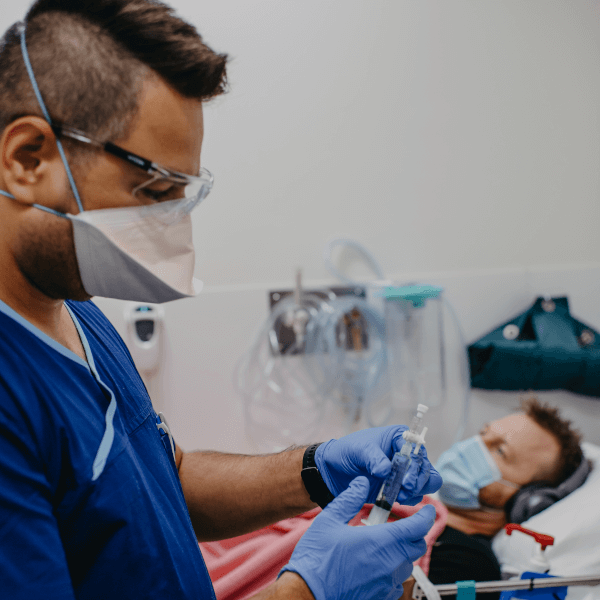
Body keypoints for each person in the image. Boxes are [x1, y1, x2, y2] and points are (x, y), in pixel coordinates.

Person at [0, 1, 442, 599]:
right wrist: (305, 593)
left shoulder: (73, 308)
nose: (169, 223)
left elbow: (164, 481)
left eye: (182, 195)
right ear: (28, 158)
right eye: (153, 189)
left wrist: (316, 469)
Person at [402, 396, 588, 600]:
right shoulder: (411, 504)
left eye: (500, 450)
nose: (473, 447)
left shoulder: (471, 566)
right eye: (483, 434)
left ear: (528, 499)